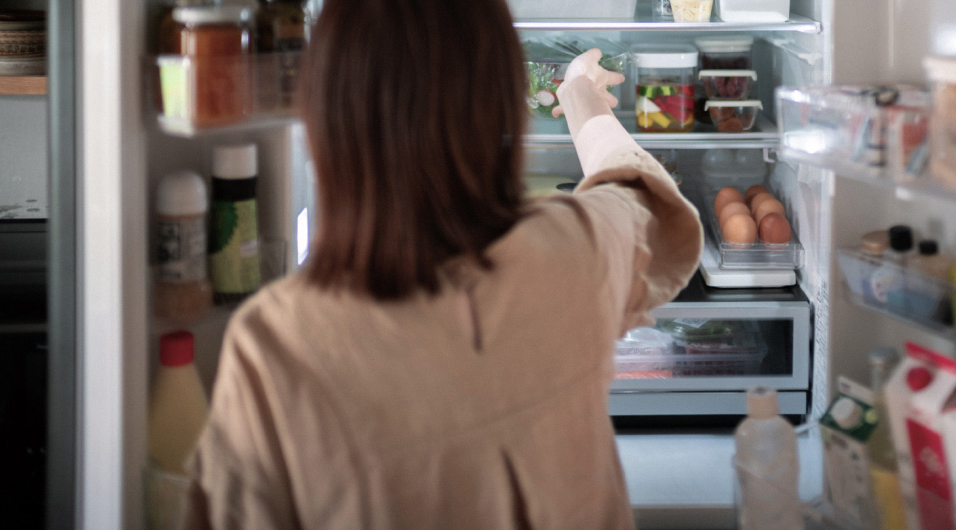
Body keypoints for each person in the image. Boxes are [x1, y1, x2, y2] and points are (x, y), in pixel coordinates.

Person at [180, 0, 702, 528]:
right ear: (499, 108)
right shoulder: (574, 251)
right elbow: (646, 203)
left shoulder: (278, 344)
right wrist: (581, 97)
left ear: (323, 118)